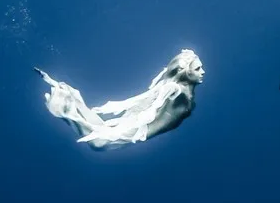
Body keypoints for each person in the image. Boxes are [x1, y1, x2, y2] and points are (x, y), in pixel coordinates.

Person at [36, 49, 205, 149]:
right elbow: (155, 96)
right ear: (185, 71)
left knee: (101, 129)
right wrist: (137, 121)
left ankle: (74, 101)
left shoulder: (178, 88)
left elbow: (159, 86)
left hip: (143, 122)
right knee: (98, 144)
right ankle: (66, 112)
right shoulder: (177, 90)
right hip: (143, 128)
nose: (203, 72)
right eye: (198, 68)